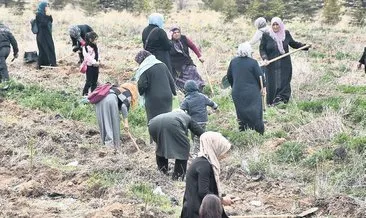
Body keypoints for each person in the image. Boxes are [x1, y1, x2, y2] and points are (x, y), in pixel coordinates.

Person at [181, 131, 232, 218]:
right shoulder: (204, 165)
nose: (225, 156)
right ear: (215, 147)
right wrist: (222, 200)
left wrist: (223, 196)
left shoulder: (201, 162)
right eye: (223, 150)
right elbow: (204, 193)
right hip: (197, 213)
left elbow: (207, 188)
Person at [260, 17, 309, 105]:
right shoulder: (266, 35)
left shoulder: (286, 34)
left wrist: (304, 46)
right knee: (272, 82)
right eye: (273, 24)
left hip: (284, 64)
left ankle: (281, 100)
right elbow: (262, 49)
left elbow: (293, 43)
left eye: (277, 24)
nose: (275, 26)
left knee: (284, 81)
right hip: (271, 64)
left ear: (280, 25)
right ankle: (272, 102)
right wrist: (265, 58)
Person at [148, 110, 205, 181]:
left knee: (161, 146)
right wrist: (208, 137)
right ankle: (178, 176)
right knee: (184, 147)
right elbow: (198, 131)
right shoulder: (186, 116)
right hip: (171, 124)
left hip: (153, 124)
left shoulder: (170, 114)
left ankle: (162, 171)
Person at [227, 42, 265, 134]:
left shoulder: (233, 62)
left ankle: (243, 130)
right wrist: (262, 88)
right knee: (255, 112)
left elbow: (229, 76)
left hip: (237, 92)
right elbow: (261, 77)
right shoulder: (253, 62)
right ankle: (258, 132)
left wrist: (234, 86)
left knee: (241, 113)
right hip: (252, 93)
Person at [135, 50, 176, 123]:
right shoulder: (162, 64)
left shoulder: (145, 68)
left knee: (154, 122)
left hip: (153, 99)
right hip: (167, 97)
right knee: (167, 120)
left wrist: (140, 92)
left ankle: (156, 134)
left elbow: (142, 85)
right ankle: (166, 134)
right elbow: (171, 81)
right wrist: (174, 93)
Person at [180, 80, 218, 156]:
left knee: (195, 138)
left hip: (193, 123)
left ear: (186, 89)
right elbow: (211, 103)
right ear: (196, 87)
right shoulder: (202, 96)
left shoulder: (187, 100)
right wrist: (215, 107)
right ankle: (205, 150)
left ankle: (196, 153)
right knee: (202, 135)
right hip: (203, 120)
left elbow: (181, 110)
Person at [95, 82, 138, 148]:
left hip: (99, 102)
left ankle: (105, 145)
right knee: (114, 124)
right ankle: (114, 147)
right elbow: (124, 107)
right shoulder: (127, 93)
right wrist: (126, 123)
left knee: (105, 122)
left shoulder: (115, 89)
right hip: (111, 100)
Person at [170, 26, 205, 90]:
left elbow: (193, 46)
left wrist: (199, 56)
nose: (176, 34)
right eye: (174, 33)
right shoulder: (169, 42)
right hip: (176, 66)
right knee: (180, 81)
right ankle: (186, 90)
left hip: (187, 62)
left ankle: (198, 88)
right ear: (171, 34)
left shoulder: (184, 38)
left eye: (178, 32)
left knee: (193, 71)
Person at [35, 1, 56, 69]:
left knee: (50, 48)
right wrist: (47, 16)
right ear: (43, 7)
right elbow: (43, 24)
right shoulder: (38, 14)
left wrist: (49, 15)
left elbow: (50, 21)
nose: (47, 7)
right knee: (43, 49)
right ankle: (41, 65)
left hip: (47, 34)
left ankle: (51, 63)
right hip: (42, 35)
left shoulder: (45, 14)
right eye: (46, 6)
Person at [0, 22, 18, 89]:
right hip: (7, 49)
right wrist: (15, 52)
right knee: (1, 65)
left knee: (2, 67)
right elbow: (14, 41)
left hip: (1, 50)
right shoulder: (6, 30)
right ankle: (2, 81)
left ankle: (6, 84)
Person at [82, 31, 99, 96]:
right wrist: (94, 62)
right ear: (90, 39)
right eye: (95, 39)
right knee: (89, 82)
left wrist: (98, 61)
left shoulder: (95, 46)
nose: (96, 41)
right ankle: (84, 95)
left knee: (94, 82)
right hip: (89, 66)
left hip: (96, 66)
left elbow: (98, 54)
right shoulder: (85, 47)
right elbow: (87, 57)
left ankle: (93, 94)